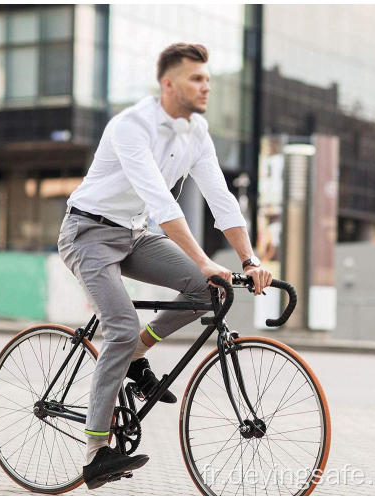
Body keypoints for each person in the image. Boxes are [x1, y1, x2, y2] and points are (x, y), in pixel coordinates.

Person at [58, 42, 272, 490]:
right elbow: (159, 200)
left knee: (206, 289)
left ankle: (138, 351)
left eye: (208, 79)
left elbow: (222, 199)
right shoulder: (131, 126)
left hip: (134, 235)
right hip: (88, 233)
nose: (206, 87)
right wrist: (203, 257)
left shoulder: (197, 133)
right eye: (197, 79)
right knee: (118, 324)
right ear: (168, 84)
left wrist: (250, 260)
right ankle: (96, 451)